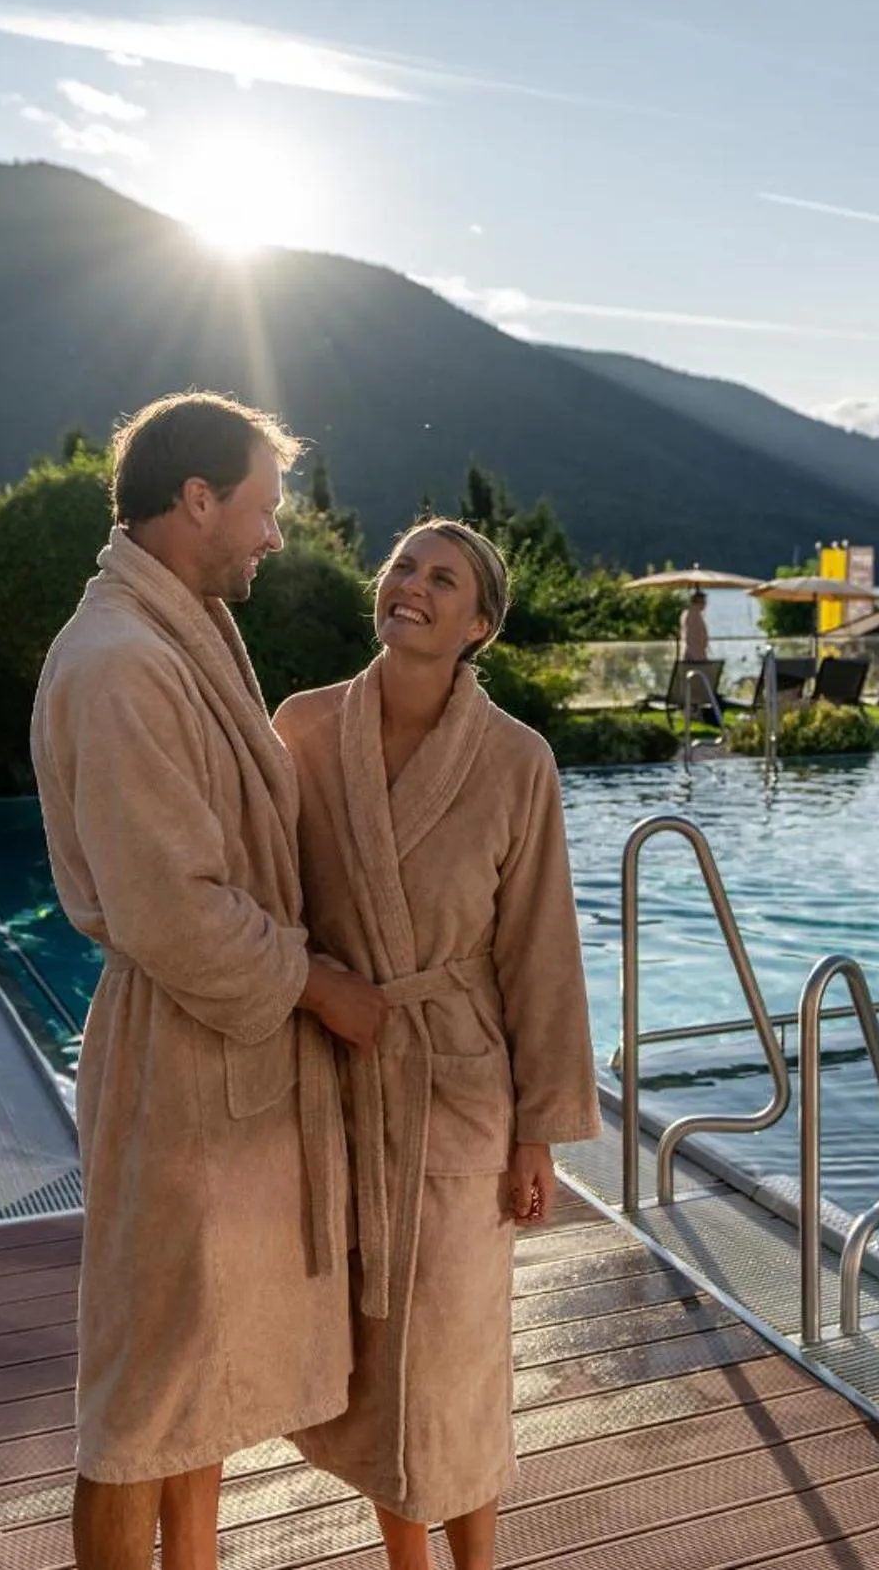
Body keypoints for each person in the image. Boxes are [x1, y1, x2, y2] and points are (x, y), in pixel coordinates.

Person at [30, 391, 388, 1570]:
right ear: (195, 500)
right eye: (261, 509)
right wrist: (318, 984)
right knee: (140, 1398)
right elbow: (168, 907)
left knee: (202, 1375)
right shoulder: (124, 660)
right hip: (182, 1062)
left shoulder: (172, 627)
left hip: (223, 1063)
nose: (273, 536)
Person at [275, 520, 601, 1570]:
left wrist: (538, 1134)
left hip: (459, 1087)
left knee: (452, 1352)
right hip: (332, 1074)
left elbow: (540, 953)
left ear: (480, 625)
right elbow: (266, 903)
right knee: (371, 1361)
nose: (410, 584)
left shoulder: (515, 761)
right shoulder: (305, 727)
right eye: (403, 565)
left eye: (441, 577)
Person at [680, 588, 712, 661]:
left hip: (689, 652)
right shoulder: (695, 616)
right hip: (696, 655)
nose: (705, 604)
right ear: (699, 601)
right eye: (704, 602)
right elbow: (700, 636)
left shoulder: (686, 613)